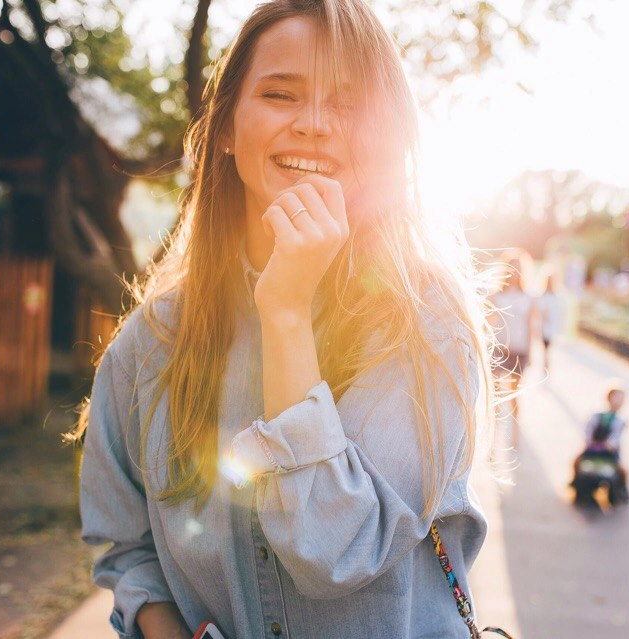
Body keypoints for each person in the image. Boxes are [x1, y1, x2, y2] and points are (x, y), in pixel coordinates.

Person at [75, 1, 495, 637]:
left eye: (347, 104)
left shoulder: (424, 322)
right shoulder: (151, 341)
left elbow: (334, 551)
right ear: (224, 127)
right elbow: (126, 548)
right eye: (281, 94)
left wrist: (287, 313)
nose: (316, 125)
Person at [488, 257, 535, 448]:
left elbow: (531, 326)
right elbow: (487, 324)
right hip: (499, 348)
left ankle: (515, 435)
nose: (515, 272)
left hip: (519, 349)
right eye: (512, 268)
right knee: (496, 395)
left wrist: (531, 351)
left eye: (518, 268)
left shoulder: (528, 297)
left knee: (514, 394)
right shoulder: (495, 296)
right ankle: (493, 438)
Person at [573, 383, 628, 499]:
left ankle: (621, 490)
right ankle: (574, 482)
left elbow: (616, 436)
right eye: (616, 397)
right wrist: (589, 440)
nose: (619, 401)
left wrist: (610, 444)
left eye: (621, 399)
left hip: (609, 452)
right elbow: (588, 428)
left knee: (622, 471)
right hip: (592, 448)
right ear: (608, 398)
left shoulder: (619, 420)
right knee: (576, 462)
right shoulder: (597, 415)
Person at [537, 272, 565, 371]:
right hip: (543, 325)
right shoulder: (542, 295)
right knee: (545, 344)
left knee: (548, 345)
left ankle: (546, 361)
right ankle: (545, 361)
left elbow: (560, 312)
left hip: (552, 326)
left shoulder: (557, 296)